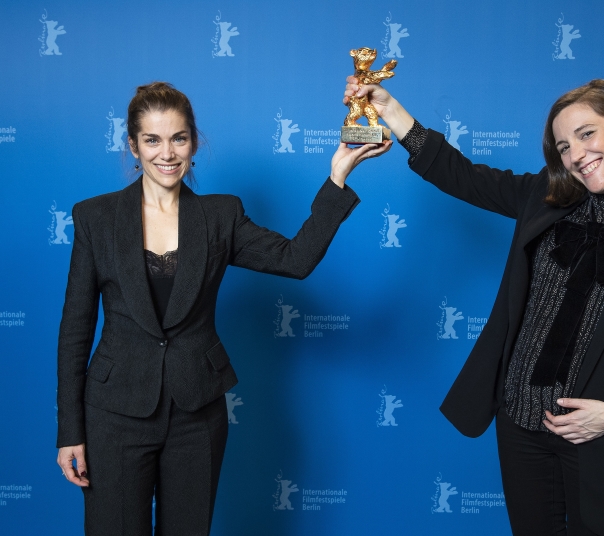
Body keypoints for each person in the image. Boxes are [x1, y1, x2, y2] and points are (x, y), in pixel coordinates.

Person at [343, 78, 604, 535]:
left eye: (587, 134)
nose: (576, 155)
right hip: (520, 423)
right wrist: (389, 108)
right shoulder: (547, 195)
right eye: (563, 146)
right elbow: (459, 174)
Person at [56, 81, 391, 535]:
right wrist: (69, 431)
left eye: (178, 138)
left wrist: (337, 176)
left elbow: (295, 260)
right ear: (132, 146)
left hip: (196, 415)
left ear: (194, 141)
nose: (167, 153)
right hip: (114, 415)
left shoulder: (220, 216)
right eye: (152, 140)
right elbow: (76, 329)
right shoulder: (94, 218)